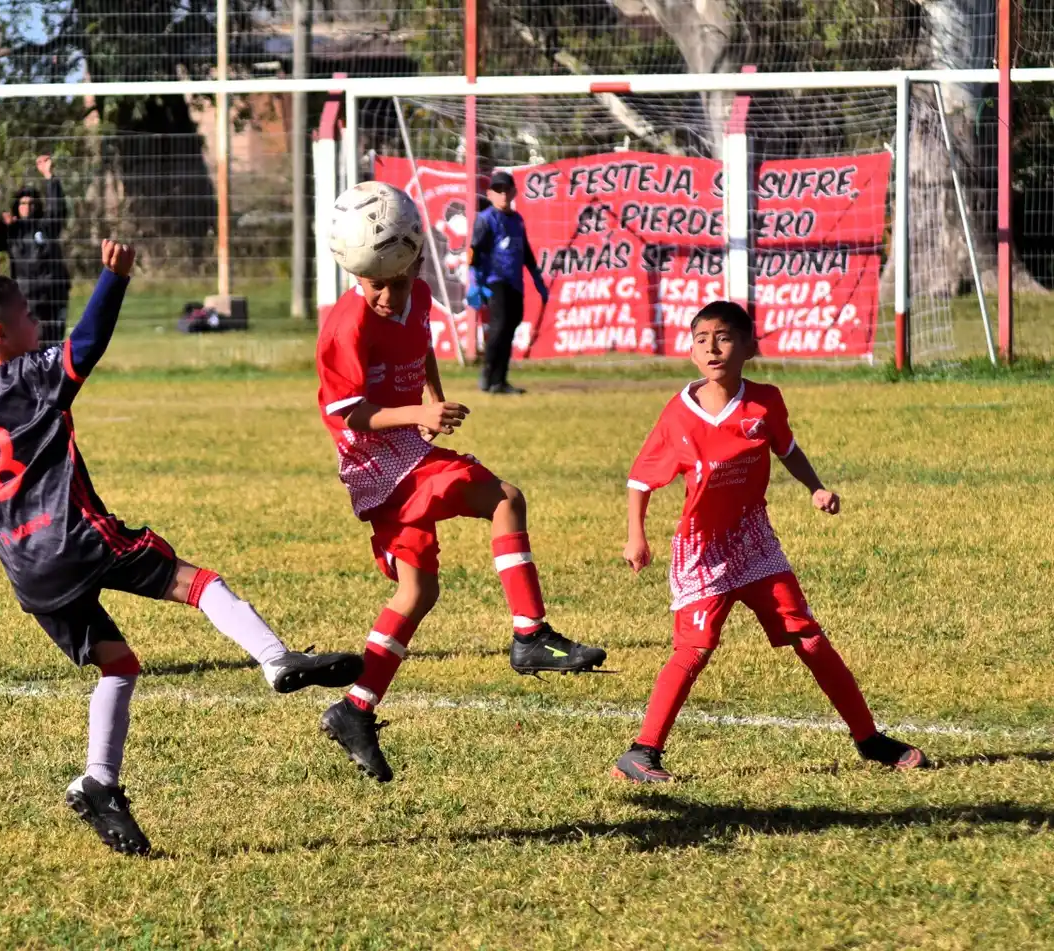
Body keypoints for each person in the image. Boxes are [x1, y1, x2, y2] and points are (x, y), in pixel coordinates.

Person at [0, 241, 363, 856]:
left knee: (119, 664)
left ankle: (99, 782)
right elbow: (88, 343)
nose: (36, 320)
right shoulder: (34, 374)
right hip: (80, 539)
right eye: (25, 314)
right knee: (196, 582)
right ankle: (277, 660)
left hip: (31, 574)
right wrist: (114, 277)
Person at [314, 240, 607, 784]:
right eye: (373, 284)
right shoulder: (344, 324)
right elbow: (350, 413)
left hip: (410, 449)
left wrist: (432, 399)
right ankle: (529, 635)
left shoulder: (419, 296)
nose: (385, 295)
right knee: (505, 498)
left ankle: (355, 709)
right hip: (377, 463)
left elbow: (419, 347)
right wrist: (419, 411)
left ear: (415, 268)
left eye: (396, 282)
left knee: (417, 593)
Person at [615, 300, 928, 783]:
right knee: (694, 649)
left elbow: (787, 449)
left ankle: (870, 739)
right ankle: (640, 753)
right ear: (692, 353)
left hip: (754, 541)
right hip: (702, 550)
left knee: (809, 636)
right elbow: (640, 479)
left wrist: (816, 488)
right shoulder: (679, 415)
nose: (712, 347)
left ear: (749, 347)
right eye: (701, 340)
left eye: (723, 337)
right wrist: (636, 536)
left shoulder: (765, 402)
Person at [467, 170, 548, 395]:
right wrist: (475, 281)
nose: (503, 195)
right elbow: (474, 250)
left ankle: (500, 381)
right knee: (499, 326)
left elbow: (526, 252)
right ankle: (488, 372)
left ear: (514, 192)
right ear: (490, 194)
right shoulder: (486, 219)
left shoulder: (517, 220)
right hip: (495, 280)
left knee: (511, 327)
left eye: (506, 190)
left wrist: (537, 279)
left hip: (515, 282)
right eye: (498, 190)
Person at [0, 154, 72, 347]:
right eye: (23, 203)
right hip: (26, 296)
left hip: (53, 293)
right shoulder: (11, 232)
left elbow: (57, 210)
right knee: (31, 342)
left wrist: (49, 177)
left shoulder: (46, 227)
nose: (27, 207)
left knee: (53, 342)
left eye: (31, 203)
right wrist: (2, 224)